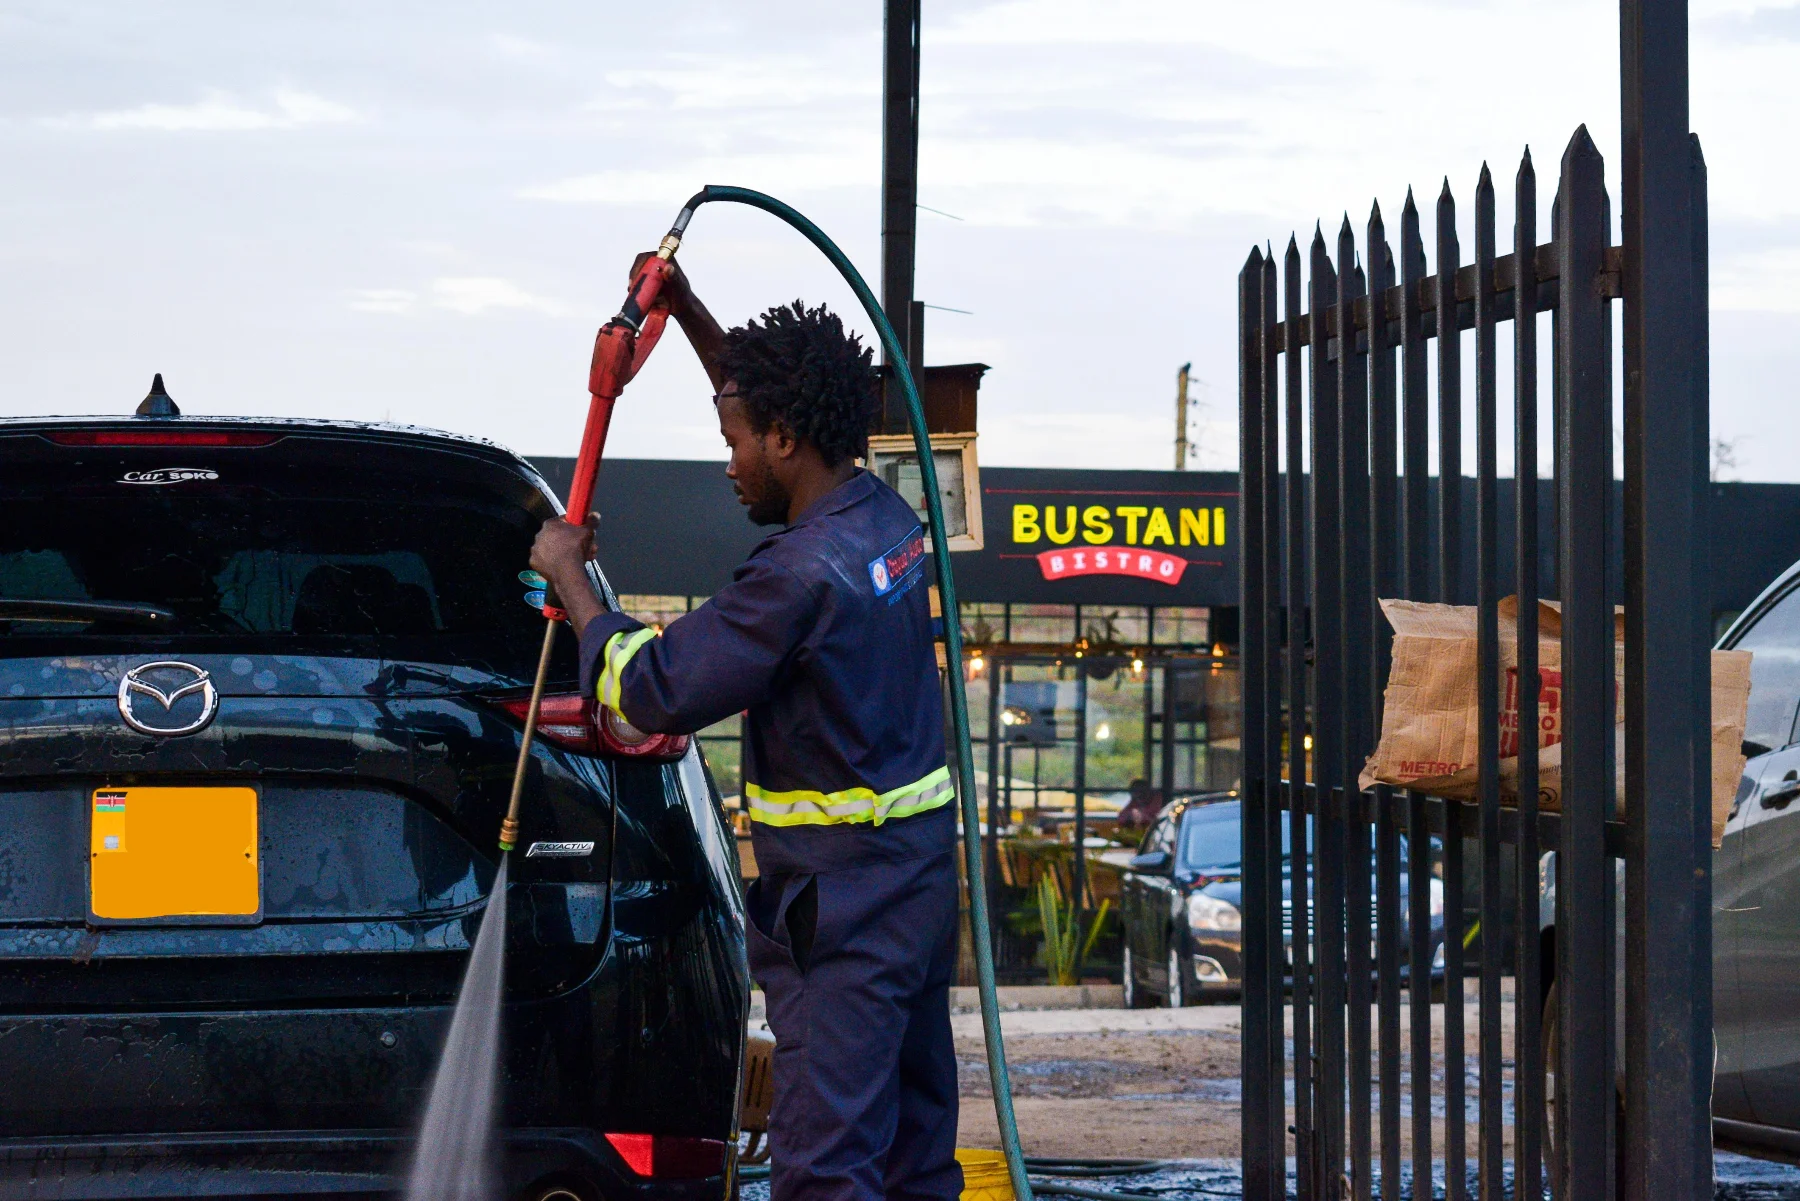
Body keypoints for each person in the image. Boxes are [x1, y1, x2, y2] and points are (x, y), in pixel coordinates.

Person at [530, 259, 962, 1201]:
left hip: (843, 914)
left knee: (826, 1172)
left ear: (785, 437)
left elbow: (649, 688)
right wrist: (684, 310)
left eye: (736, 443)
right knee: (915, 1159)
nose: (727, 464)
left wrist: (570, 575)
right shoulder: (883, 518)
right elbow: (762, 390)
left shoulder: (797, 579)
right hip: (917, 887)